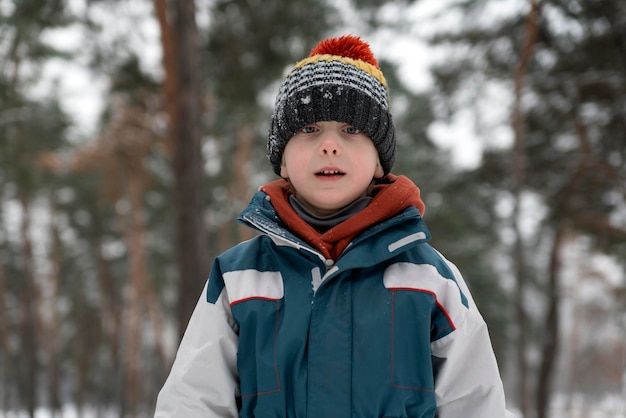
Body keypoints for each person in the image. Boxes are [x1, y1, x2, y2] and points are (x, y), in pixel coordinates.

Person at [155, 34, 516, 418]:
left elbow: (475, 403)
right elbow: (194, 403)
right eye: (309, 130)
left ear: (379, 162)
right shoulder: (239, 278)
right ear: (282, 161)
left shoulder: (429, 280)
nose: (329, 146)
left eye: (351, 130)